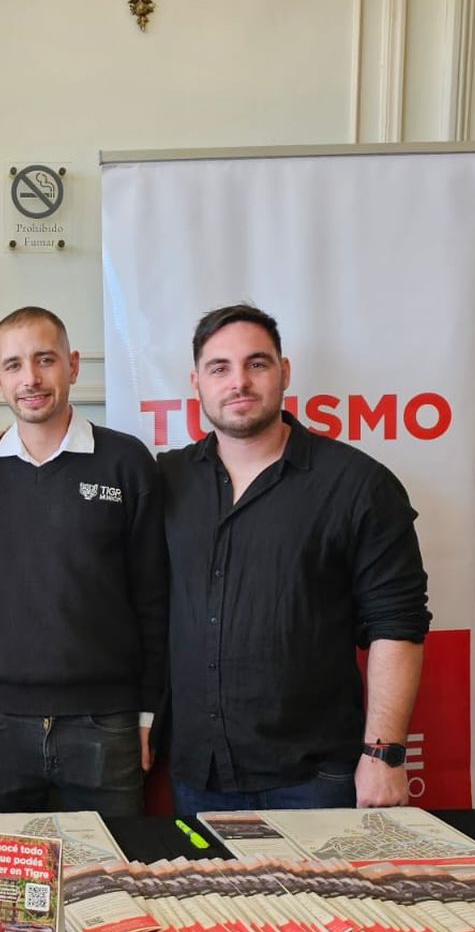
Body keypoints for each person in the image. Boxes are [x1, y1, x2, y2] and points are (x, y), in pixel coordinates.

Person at [158, 303, 431, 813]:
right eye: (220, 368)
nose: (238, 381)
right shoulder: (166, 481)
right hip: (199, 773)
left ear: (284, 372)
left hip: (313, 778)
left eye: (256, 364)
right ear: (196, 382)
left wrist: (384, 754)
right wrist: (20, 443)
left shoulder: (357, 485)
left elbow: (398, 624)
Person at [0, 306, 168, 817]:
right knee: (5, 892)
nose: (30, 378)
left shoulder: (125, 461)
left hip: (106, 721)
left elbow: (155, 596)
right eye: (14, 365)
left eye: (45, 360)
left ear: (72, 365)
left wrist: (147, 713)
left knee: (111, 882)